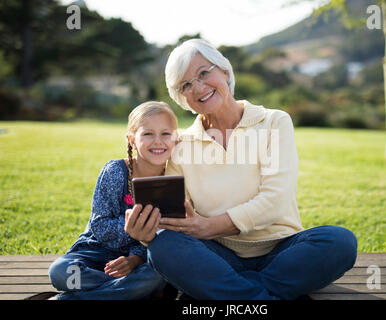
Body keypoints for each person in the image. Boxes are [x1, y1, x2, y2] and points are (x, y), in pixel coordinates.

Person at [125, 39, 358, 300]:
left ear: (224, 71)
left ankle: (226, 291)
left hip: (282, 249)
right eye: (186, 85)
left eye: (204, 73)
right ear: (182, 98)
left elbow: (275, 201)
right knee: (163, 247)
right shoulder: (181, 144)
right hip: (218, 255)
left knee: (339, 242)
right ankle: (256, 294)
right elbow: (176, 219)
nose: (199, 87)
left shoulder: (274, 122)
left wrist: (208, 227)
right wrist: (146, 234)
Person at [48, 101, 178, 300]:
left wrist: (134, 259)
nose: (158, 141)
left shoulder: (173, 179)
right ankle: (126, 292)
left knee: (156, 276)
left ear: (175, 139)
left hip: (140, 261)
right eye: (148, 134)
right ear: (132, 140)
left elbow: (166, 232)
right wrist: (134, 224)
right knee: (60, 272)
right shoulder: (115, 171)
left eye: (166, 134)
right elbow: (99, 226)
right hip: (96, 253)